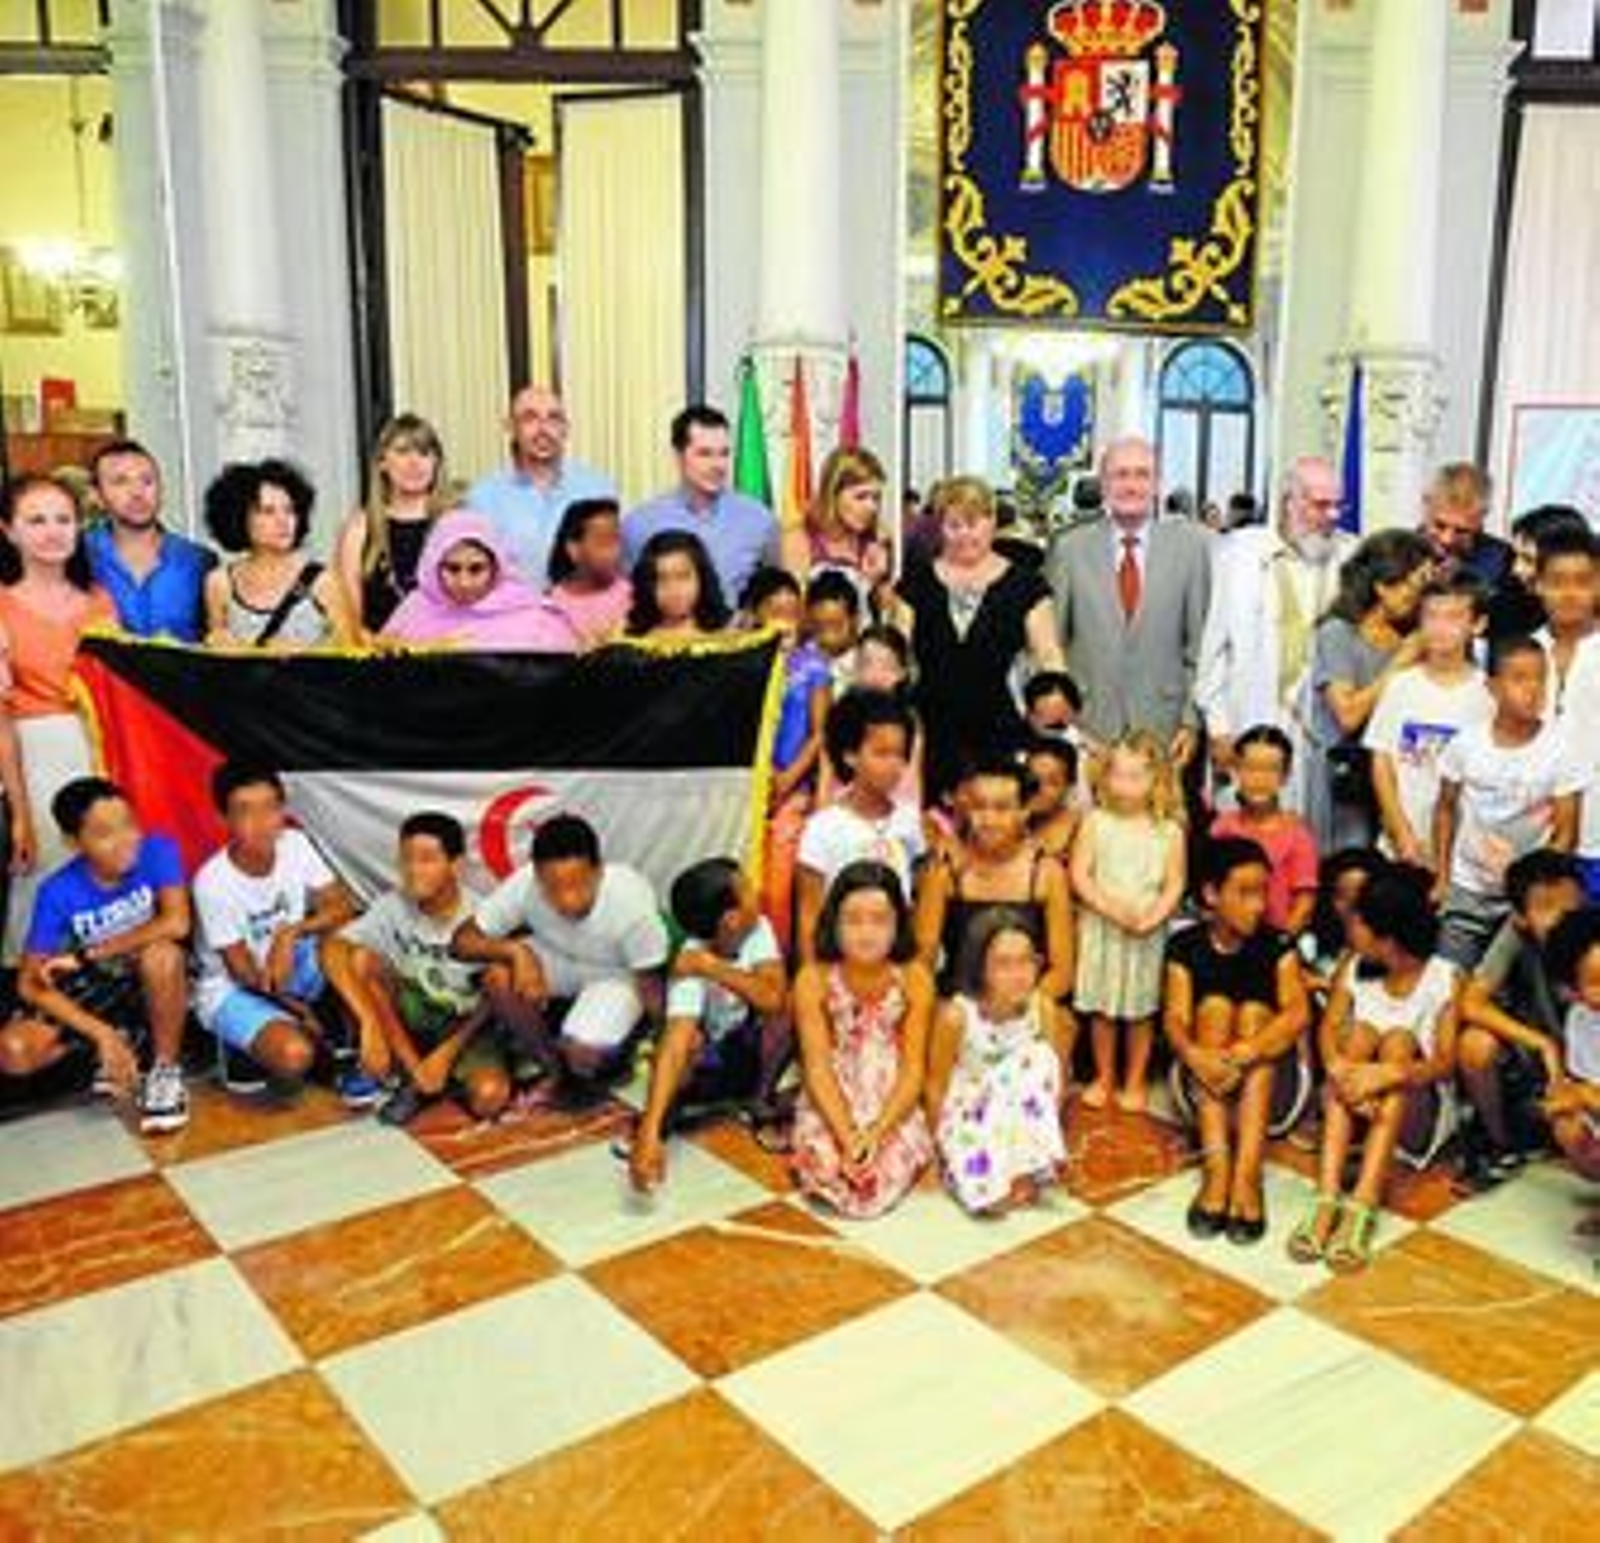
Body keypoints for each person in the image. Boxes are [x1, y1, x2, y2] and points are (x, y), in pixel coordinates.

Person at [1290, 865, 1460, 1273]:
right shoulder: (1353, 966)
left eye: (1359, 921)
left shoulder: (1443, 978)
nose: (1350, 928)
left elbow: (1444, 1062)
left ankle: (1364, 1200)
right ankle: (1328, 1195)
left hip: (1416, 1111)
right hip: (1353, 1101)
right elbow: (1328, 1029)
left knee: (1398, 1041)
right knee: (1359, 1035)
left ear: (1387, 937)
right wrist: (1340, 1071)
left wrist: (1388, 1075)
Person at [9, 777, 190, 1131]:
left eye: (129, 824)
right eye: (105, 832)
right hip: (100, 985)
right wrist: (101, 1034)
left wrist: (92, 953)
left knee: (162, 954)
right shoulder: (56, 891)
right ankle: (118, 1043)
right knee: (15, 1050)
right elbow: (29, 984)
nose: (126, 839)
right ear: (74, 842)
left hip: (156, 975)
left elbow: (177, 923)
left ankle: (165, 1071)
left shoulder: (157, 850)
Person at [451, 813, 669, 1105]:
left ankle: (615, 1046)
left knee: (583, 1053)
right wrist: (517, 952)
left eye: (579, 885)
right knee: (498, 976)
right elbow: (460, 942)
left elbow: (650, 983)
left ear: (599, 871)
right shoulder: (526, 884)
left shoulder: (631, 903)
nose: (567, 900)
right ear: (537, 875)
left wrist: (667, 1042)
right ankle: (553, 1069)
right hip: (559, 956)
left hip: (615, 973)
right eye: (552, 888)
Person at [1164, 837, 1310, 1242]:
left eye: (1263, 892)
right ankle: (1217, 1170)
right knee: (1214, 1009)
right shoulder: (1184, 947)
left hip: (1271, 1087)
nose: (1259, 905)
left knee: (1255, 1015)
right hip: (1202, 1080)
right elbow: (1175, 1018)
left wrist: (1251, 1050)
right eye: (1245, 893)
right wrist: (1196, 1056)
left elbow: (1298, 1012)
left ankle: (1247, 1174)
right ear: (1212, 894)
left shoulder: (1278, 945)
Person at [192, 763, 365, 1100]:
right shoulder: (211, 882)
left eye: (271, 807)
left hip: (289, 963)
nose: (262, 823)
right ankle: (254, 1043)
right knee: (294, 1056)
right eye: (246, 811)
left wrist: (291, 933)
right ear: (223, 819)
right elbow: (244, 974)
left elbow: (342, 906)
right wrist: (298, 1010)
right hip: (237, 989)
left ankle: (340, 1035)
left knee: (354, 937)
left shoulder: (295, 844)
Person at [324, 812, 508, 1127]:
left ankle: (434, 1078)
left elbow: (494, 1000)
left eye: (426, 860)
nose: (412, 870)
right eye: (406, 859)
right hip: (411, 1019)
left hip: (463, 1028)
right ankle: (412, 1075)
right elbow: (332, 948)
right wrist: (369, 1024)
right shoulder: (392, 905)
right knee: (361, 959)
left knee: (489, 1096)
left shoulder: (483, 915)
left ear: (455, 865)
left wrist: (445, 1056)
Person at [0, 474, 118, 960]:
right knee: (43, 868)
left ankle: (104, 975)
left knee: (104, 862)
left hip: (99, 748)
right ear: (9, 530)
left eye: (63, 519)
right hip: (33, 754)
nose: (53, 531)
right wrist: (19, 812)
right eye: (37, 520)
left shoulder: (100, 601)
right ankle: (35, 982)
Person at [1046, 437, 1212, 770]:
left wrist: (1190, 721)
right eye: (1120, 475)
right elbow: (1052, 644)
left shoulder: (1191, 549)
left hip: (1164, 729)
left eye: (1142, 474)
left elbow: (1199, 647)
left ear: (1157, 484)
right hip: (1088, 725)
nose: (1131, 485)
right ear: (1104, 484)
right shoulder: (1069, 549)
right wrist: (1065, 723)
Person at [627, 857, 789, 1193]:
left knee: (790, 1005)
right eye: (748, 891)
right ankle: (661, 1119)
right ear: (731, 919)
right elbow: (676, 1042)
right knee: (686, 1043)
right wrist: (648, 1132)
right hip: (708, 1065)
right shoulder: (690, 958)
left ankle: (760, 1100)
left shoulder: (758, 929)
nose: (757, 892)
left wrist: (712, 967)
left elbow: (773, 998)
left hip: (750, 1052)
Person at [897, 475, 1062, 803]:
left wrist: (1054, 714)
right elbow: (896, 659)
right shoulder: (914, 583)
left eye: (974, 523)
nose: (965, 535)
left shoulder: (1026, 586)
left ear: (992, 522)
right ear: (940, 527)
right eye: (954, 525)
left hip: (1000, 730)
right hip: (929, 733)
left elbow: (1050, 658)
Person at [1196, 456, 1356, 791]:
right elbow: (1214, 650)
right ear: (1288, 503)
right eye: (1321, 505)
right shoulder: (1239, 552)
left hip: (1320, 731)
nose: (1332, 516)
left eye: (1338, 505)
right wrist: (1218, 727)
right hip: (1249, 722)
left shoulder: (1351, 555)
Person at [790, 861, 934, 1217]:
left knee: (886, 1167)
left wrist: (876, 1133)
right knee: (825, 1163)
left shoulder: (915, 977)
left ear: (898, 924)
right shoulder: (813, 978)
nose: (866, 933)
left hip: (891, 1097)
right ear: (833, 924)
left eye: (880, 920)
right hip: (835, 1093)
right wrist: (846, 1135)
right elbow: (817, 1069)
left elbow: (913, 1069)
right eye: (853, 920)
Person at [1434, 635, 1583, 968]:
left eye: (1540, 678)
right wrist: (1443, 877)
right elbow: (1445, 809)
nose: (1533, 689)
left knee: (1521, 985)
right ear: (1493, 687)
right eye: (1519, 678)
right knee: (1449, 980)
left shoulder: (1561, 748)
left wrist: (1531, 896)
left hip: (1527, 900)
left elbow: (1566, 835)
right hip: (1468, 889)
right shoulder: (1466, 744)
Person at [1071, 731, 1187, 1112]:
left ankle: (1135, 1080)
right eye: (1117, 774)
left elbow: (1175, 883)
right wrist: (1110, 909)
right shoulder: (1095, 821)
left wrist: (1152, 917)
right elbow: (1080, 875)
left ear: (1157, 779)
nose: (1124, 785)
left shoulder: (1169, 830)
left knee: (1140, 1011)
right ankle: (1105, 1076)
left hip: (1145, 933)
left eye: (1135, 776)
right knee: (1103, 1009)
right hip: (1104, 929)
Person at [927, 907, 1070, 1214]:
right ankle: (992, 1168)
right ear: (979, 967)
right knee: (987, 1196)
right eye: (1003, 964)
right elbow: (936, 1085)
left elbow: (1055, 1081)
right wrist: (935, 1148)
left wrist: (1048, 1133)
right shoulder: (957, 1016)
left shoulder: (1042, 1008)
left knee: (1038, 1058)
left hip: (1022, 1111)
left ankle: (1027, 1162)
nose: (1018, 974)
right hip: (971, 1110)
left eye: (1026, 961)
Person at [1457, 849, 1586, 1186]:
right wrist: (1543, 1044)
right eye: (1547, 907)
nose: (1561, 919)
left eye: (1571, 906)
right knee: (1475, 1044)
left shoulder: (1591, 936)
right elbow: (1470, 1002)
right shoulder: (1515, 935)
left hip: (1589, 1067)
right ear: (1520, 917)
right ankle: (1502, 1145)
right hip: (1541, 1064)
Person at [1300, 528, 1433, 853]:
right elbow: (1348, 715)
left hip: (1395, 783)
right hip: (1346, 781)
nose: (1423, 595)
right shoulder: (1338, 634)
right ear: (1384, 585)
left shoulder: (1410, 638)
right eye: (1418, 582)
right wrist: (1401, 661)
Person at [913, 755, 1074, 1007]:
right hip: (958, 1009)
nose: (988, 820)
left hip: (1026, 1007)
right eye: (979, 807)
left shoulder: (1046, 873)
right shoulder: (945, 870)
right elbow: (922, 962)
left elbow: (1062, 972)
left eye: (1001, 808)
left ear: (1024, 811)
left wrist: (1015, 1011)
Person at [1364, 574, 1494, 870]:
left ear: (1477, 625)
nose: (1440, 628)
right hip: (1402, 847)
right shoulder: (1400, 685)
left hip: (1464, 855)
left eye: (1453, 617)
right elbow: (1382, 761)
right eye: (1431, 616)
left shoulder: (1489, 693)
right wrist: (1401, 833)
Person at [796, 689, 923, 964]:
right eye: (882, 753)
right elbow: (809, 916)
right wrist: (812, 976)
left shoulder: (912, 822)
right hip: (839, 964)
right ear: (850, 755)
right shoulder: (822, 828)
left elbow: (919, 903)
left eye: (900, 755)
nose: (894, 765)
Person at [745, 567, 832, 951]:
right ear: (756, 613)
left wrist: (787, 779)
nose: (785, 622)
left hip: (792, 788)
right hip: (747, 788)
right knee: (746, 881)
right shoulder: (743, 662)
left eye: (792, 612)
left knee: (778, 887)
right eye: (775, 612)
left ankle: (776, 961)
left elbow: (820, 733)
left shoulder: (813, 665)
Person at [624, 405, 779, 604]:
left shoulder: (759, 519)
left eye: (724, 453)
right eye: (704, 454)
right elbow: (626, 599)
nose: (717, 465)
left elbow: (774, 594)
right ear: (678, 455)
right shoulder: (639, 524)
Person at [467, 386, 616, 587]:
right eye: (530, 418)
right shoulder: (483, 498)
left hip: (587, 606)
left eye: (553, 418)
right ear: (511, 427)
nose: (543, 429)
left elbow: (612, 564)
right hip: (515, 607)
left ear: (565, 428)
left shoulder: (598, 488)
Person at [203, 460, 356, 650]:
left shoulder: (323, 582)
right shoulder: (219, 583)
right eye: (268, 511)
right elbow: (216, 653)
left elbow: (352, 652)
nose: (283, 521)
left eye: (290, 510)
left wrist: (302, 655)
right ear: (239, 517)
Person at [381, 509, 571, 651]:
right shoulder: (412, 612)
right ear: (434, 567)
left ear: (496, 567)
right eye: (453, 569)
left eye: (476, 569)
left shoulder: (537, 619)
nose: (464, 582)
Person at [84, 439, 213, 642]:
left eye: (147, 481)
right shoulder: (77, 555)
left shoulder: (198, 561)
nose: (137, 493)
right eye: (120, 482)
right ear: (97, 496)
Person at [1531, 524, 1600, 900]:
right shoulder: (1522, 651)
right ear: (1538, 584)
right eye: (1557, 582)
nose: (1570, 594)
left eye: (1583, 581)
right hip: (1532, 830)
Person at [336, 414, 452, 635]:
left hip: (448, 650)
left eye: (424, 452)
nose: (414, 463)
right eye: (402, 451)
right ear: (382, 462)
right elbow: (350, 621)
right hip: (378, 652)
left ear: (436, 462)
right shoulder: (359, 528)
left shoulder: (456, 522)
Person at [1209, 725, 1319, 937]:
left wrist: (1280, 944)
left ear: (1285, 776)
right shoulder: (1221, 827)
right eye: (1251, 768)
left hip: (1275, 941)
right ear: (1236, 771)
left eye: (1271, 769)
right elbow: (1210, 892)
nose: (1260, 779)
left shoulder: (1297, 835)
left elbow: (1304, 903)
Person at [783, 446, 891, 611]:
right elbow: (793, 612)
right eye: (860, 497)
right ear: (832, 494)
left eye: (876, 498)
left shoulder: (876, 538)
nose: (871, 507)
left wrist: (879, 580)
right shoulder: (799, 539)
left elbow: (886, 613)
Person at [1543, 906, 1600, 1182]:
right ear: (1571, 990)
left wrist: (1584, 1096)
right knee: (1568, 1126)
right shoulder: (1579, 1019)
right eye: (1597, 983)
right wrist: (1567, 1096)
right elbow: (1585, 1081)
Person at [545, 497, 632, 649]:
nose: (614, 552)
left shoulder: (633, 596)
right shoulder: (551, 605)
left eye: (617, 541)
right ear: (573, 549)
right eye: (603, 543)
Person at [1421, 462, 1514, 596]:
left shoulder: (1505, 562)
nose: (1447, 540)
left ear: (1481, 520)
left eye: (1461, 531)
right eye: (1439, 526)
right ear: (1425, 511)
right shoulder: (1400, 554)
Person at [624, 530, 731, 641]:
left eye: (683, 576)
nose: (674, 590)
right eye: (662, 579)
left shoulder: (729, 633)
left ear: (702, 578)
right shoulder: (630, 638)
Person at [804, 570, 863, 695]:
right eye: (818, 628)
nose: (827, 638)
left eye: (836, 626)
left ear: (855, 620)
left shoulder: (867, 666)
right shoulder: (798, 664)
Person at [1024, 736, 1080, 861]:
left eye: (1052, 782)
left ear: (1069, 786)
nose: (1039, 789)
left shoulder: (1080, 830)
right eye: (1032, 778)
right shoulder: (1010, 817)